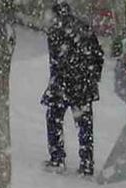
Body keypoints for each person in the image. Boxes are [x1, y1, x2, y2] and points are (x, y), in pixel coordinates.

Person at [43, 1, 106, 176]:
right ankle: (86, 162)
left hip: (63, 84)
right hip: (83, 86)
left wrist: (57, 81)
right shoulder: (84, 29)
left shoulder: (55, 32)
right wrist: (92, 78)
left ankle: (57, 158)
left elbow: (55, 61)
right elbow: (98, 56)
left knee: (54, 118)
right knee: (85, 124)